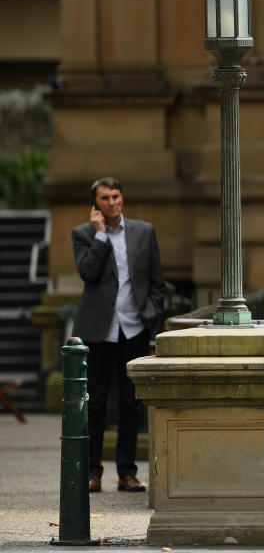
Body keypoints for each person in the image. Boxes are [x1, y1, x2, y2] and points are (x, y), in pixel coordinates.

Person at [72, 177, 164, 493]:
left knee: (129, 403)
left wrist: (152, 313)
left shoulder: (144, 231)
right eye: (104, 198)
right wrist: (99, 235)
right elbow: (88, 273)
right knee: (95, 403)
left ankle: (127, 473)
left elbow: (156, 279)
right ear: (95, 204)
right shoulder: (83, 234)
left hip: (133, 328)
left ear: (122, 198)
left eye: (115, 196)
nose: (112, 202)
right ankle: (92, 472)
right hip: (98, 331)